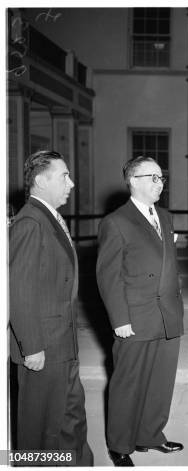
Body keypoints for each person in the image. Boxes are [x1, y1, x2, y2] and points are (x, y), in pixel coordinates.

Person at [96, 156, 184, 466]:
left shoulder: (165, 216)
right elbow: (108, 276)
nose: (160, 183)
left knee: (161, 382)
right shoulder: (116, 222)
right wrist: (120, 319)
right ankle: (119, 445)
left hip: (167, 315)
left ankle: (150, 435)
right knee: (128, 383)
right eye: (153, 178)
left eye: (162, 178)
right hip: (135, 317)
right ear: (133, 181)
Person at [9, 150, 94, 466]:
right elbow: (19, 289)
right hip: (42, 348)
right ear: (42, 180)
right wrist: (31, 347)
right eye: (64, 176)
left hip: (62, 344)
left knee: (70, 419)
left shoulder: (49, 218)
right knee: (43, 430)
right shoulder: (30, 222)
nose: (71, 183)